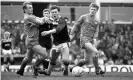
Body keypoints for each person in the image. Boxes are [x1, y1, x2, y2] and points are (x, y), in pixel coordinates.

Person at [16, 1, 51, 76]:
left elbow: (38, 19)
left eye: (31, 7)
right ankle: (35, 66)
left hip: (30, 40)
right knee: (45, 54)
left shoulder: (30, 16)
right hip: (32, 42)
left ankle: (21, 70)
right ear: (25, 9)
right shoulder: (28, 17)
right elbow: (41, 23)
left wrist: (43, 18)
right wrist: (45, 19)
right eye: (29, 8)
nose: (31, 9)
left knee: (28, 58)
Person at [70, 3, 105, 75]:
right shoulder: (83, 17)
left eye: (94, 10)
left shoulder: (97, 20)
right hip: (84, 39)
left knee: (86, 60)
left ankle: (73, 68)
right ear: (89, 9)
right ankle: (97, 69)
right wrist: (71, 33)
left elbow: (96, 31)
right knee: (95, 52)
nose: (92, 11)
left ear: (97, 11)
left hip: (91, 40)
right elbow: (76, 25)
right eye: (91, 9)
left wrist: (95, 39)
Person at [38, 5, 70, 76]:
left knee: (65, 60)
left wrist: (48, 32)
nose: (54, 14)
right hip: (56, 44)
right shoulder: (50, 20)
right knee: (52, 60)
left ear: (59, 12)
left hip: (64, 43)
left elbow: (57, 29)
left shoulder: (62, 20)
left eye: (55, 12)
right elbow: (40, 20)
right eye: (52, 12)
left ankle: (66, 69)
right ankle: (48, 72)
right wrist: (33, 24)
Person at [33, 9, 53, 76]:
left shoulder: (51, 20)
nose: (46, 14)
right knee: (43, 56)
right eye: (45, 13)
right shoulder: (40, 20)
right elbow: (35, 21)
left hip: (48, 40)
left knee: (48, 56)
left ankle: (45, 70)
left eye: (47, 13)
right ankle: (35, 66)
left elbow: (53, 29)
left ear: (49, 14)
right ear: (43, 14)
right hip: (42, 40)